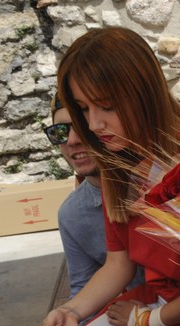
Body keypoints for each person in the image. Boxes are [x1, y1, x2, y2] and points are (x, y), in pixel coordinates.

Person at [39, 27, 180, 326]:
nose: (94, 124)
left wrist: (149, 320)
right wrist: (72, 311)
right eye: (83, 109)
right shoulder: (117, 163)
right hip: (163, 311)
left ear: (143, 94)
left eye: (106, 106)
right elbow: (118, 264)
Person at [44, 94, 144, 300]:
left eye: (81, 127)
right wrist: (69, 316)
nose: (72, 140)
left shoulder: (160, 181)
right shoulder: (72, 214)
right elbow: (84, 287)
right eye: (60, 131)